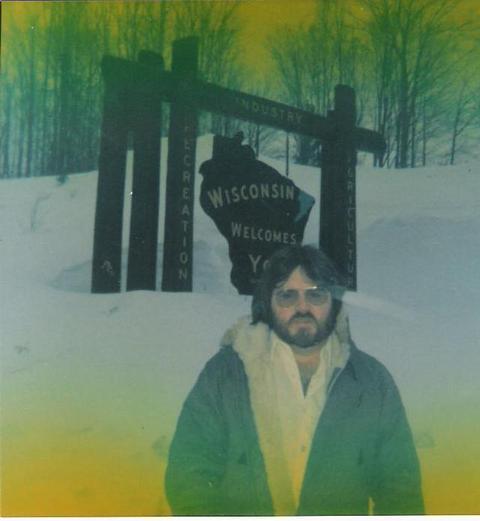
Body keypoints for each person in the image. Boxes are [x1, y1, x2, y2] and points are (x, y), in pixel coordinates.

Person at [165, 245, 424, 515]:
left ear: (334, 302)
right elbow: (189, 476)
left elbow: (401, 492)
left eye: (316, 295)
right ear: (267, 303)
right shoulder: (226, 374)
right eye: (287, 296)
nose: (302, 307)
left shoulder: (371, 382)